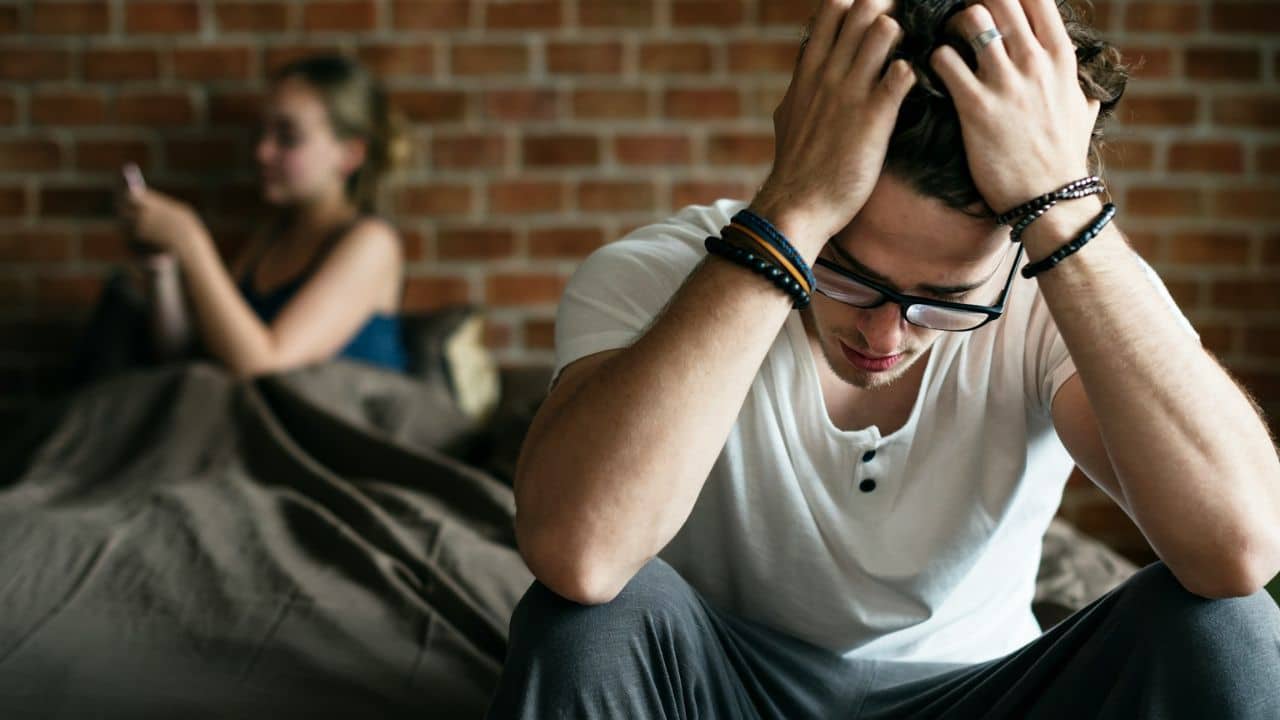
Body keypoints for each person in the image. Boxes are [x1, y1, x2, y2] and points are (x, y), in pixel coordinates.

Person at [488, 0, 1280, 717]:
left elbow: (1240, 549)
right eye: (847, 272)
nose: (885, 336)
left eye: (948, 296)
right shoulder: (659, 276)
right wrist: (790, 215)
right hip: (726, 689)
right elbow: (580, 556)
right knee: (585, 623)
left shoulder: (1056, 283)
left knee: (1226, 623)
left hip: (984, 693)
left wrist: (1063, 204)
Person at [115, 53, 410, 377]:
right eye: (263, 133)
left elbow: (267, 366)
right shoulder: (270, 237)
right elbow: (192, 355)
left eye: (287, 137)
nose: (262, 152)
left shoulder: (372, 243)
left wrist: (191, 241)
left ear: (351, 154)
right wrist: (164, 269)